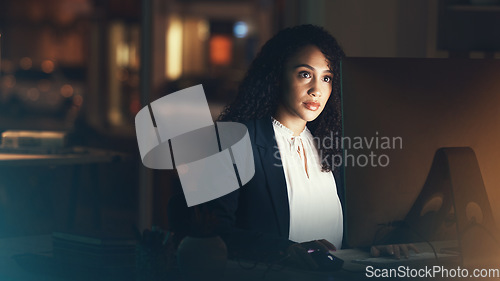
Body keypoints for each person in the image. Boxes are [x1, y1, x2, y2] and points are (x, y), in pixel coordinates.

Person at [203, 24, 416, 270]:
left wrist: (373, 247)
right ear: (276, 74)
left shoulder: (332, 145)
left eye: (326, 78)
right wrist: (286, 249)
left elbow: (342, 234)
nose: (317, 90)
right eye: (305, 74)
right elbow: (211, 233)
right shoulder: (234, 140)